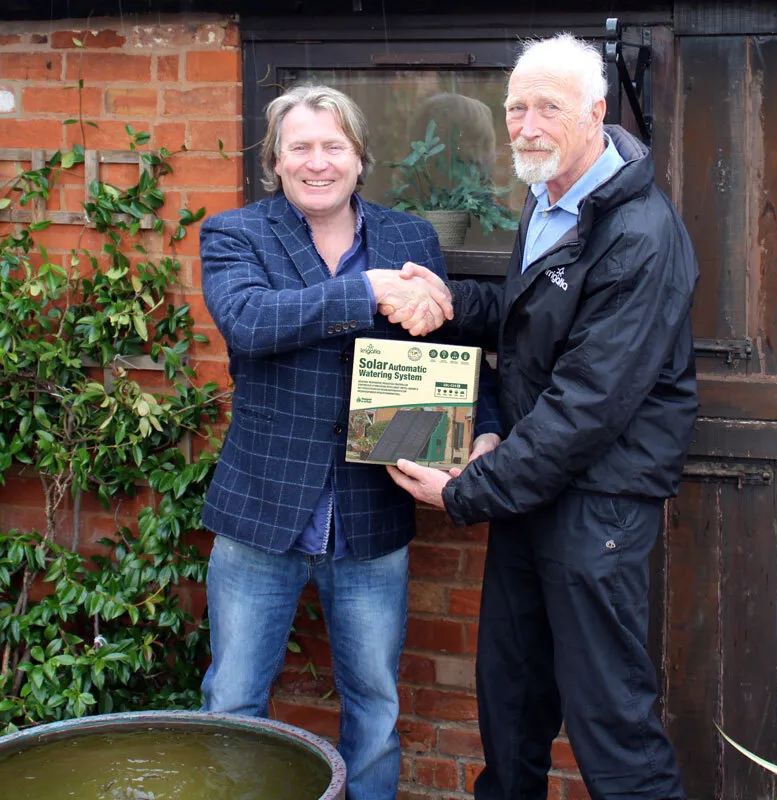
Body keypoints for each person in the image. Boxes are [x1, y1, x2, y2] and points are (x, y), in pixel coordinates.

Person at [387, 33, 698, 800]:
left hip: (596, 506)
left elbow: (587, 406)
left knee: (611, 727)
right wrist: (453, 303)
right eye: (515, 108)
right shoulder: (550, 195)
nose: (525, 124)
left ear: (596, 112)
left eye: (546, 108)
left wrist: (464, 493)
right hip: (530, 494)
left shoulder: (638, 234)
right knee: (512, 708)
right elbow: (533, 325)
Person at [198, 84, 501, 800]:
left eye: (334, 146)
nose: (317, 162)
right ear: (275, 161)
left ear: (360, 158)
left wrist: (484, 425)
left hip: (372, 511)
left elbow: (447, 347)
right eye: (299, 147)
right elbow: (250, 322)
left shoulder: (411, 238)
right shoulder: (235, 234)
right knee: (234, 702)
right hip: (262, 514)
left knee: (375, 707)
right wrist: (365, 292)